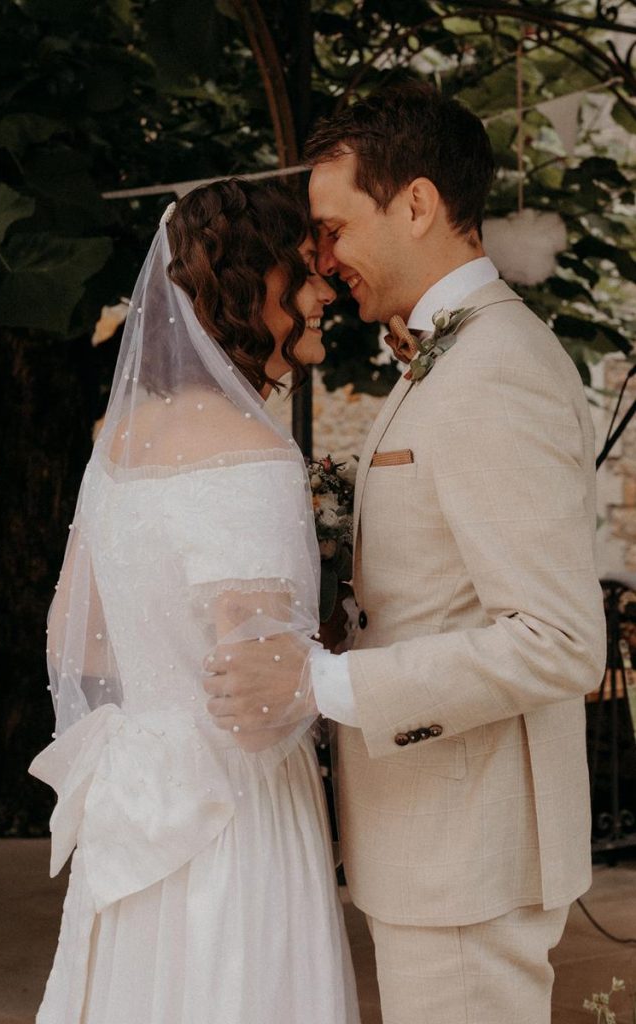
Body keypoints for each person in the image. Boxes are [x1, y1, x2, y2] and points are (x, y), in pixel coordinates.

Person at [205, 83, 607, 1023]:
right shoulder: (447, 359)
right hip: (431, 841)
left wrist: (319, 684)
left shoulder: (494, 368)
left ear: (416, 204)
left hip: (468, 853)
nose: (320, 256)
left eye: (334, 227)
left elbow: (556, 639)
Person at [29, 179, 361, 1024]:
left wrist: (162, 686)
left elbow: (77, 638)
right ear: (254, 288)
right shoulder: (251, 452)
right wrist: (335, 667)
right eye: (304, 273)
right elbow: (253, 706)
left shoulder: (123, 443)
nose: (324, 292)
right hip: (233, 809)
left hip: (138, 792)